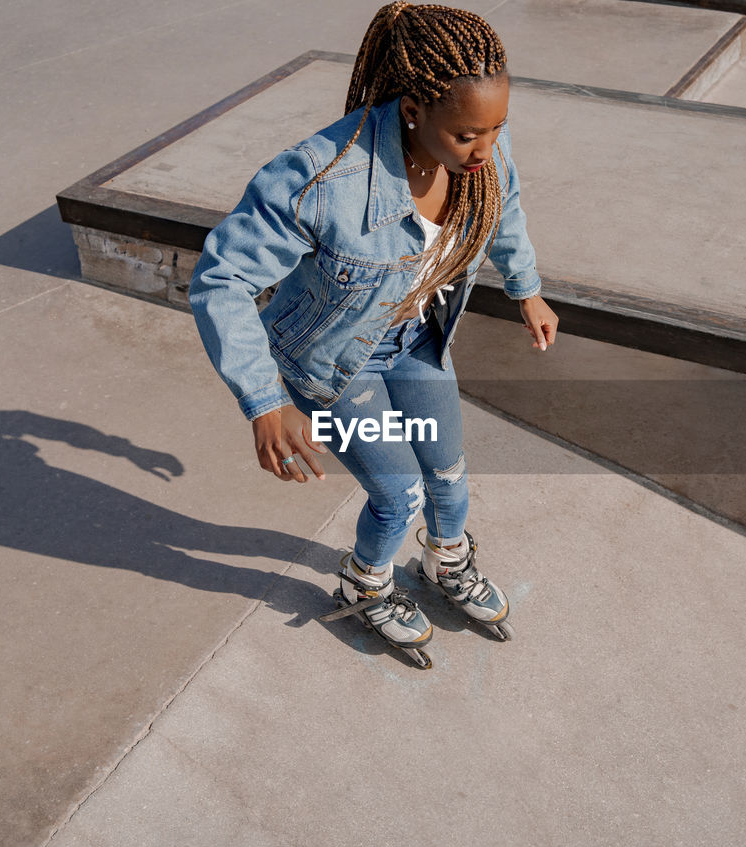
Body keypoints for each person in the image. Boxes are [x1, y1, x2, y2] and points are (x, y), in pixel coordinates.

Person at [189, 1, 558, 668]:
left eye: (497, 127)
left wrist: (526, 288)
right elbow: (221, 279)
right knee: (399, 492)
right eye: (469, 134)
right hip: (332, 365)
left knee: (448, 472)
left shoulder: (482, 152)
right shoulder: (320, 177)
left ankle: (446, 563)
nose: (486, 149)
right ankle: (365, 580)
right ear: (414, 108)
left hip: (419, 341)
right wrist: (265, 401)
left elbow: (507, 209)